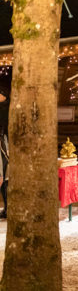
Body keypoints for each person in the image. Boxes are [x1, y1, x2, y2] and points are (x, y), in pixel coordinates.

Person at [0, 86, 9, 219]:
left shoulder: (5, 108)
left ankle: (8, 209)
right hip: (4, 140)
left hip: (3, 141)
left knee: (4, 178)